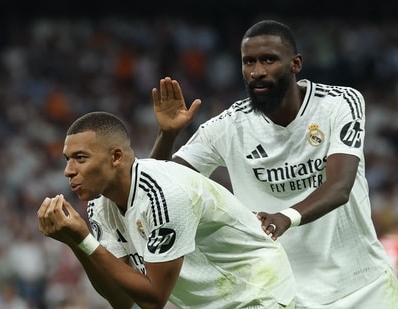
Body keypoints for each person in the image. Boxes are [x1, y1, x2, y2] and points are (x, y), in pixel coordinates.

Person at [149, 19, 398, 308]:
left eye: (268, 60)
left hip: (363, 287)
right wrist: (167, 135)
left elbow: (340, 186)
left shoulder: (339, 103)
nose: (257, 72)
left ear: (295, 64)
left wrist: (283, 218)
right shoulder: (228, 126)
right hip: (280, 293)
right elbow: (159, 189)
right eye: (248, 62)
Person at [37, 111, 296, 309]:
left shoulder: (164, 194)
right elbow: (122, 300)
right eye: (67, 159)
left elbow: (153, 300)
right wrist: (78, 243)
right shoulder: (99, 203)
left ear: (116, 157)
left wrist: (84, 238)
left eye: (80, 158)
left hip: (257, 292)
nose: (68, 170)